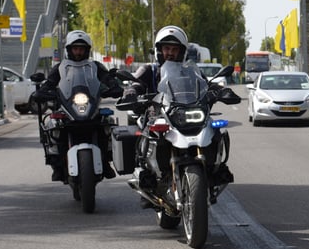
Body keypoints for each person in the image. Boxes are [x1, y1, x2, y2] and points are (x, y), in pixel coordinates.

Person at [32, 30, 122, 180]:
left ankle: (106, 161)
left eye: (81, 49)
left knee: (107, 123)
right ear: (69, 50)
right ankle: (58, 165)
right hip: (68, 107)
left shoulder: (95, 66)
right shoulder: (60, 68)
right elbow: (49, 84)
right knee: (53, 124)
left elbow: (107, 79)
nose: (78, 52)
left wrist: (114, 87)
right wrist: (42, 92)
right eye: (75, 48)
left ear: (87, 50)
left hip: (90, 106)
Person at [123, 25, 190, 192]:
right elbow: (136, 82)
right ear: (159, 50)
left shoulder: (188, 71)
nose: (170, 52)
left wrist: (218, 90)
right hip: (157, 115)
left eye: (175, 49)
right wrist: (132, 90)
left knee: (213, 128)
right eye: (167, 48)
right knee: (145, 130)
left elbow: (204, 85)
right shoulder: (149, 69)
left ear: (181, 52)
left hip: (182, 116)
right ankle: (145, 171)